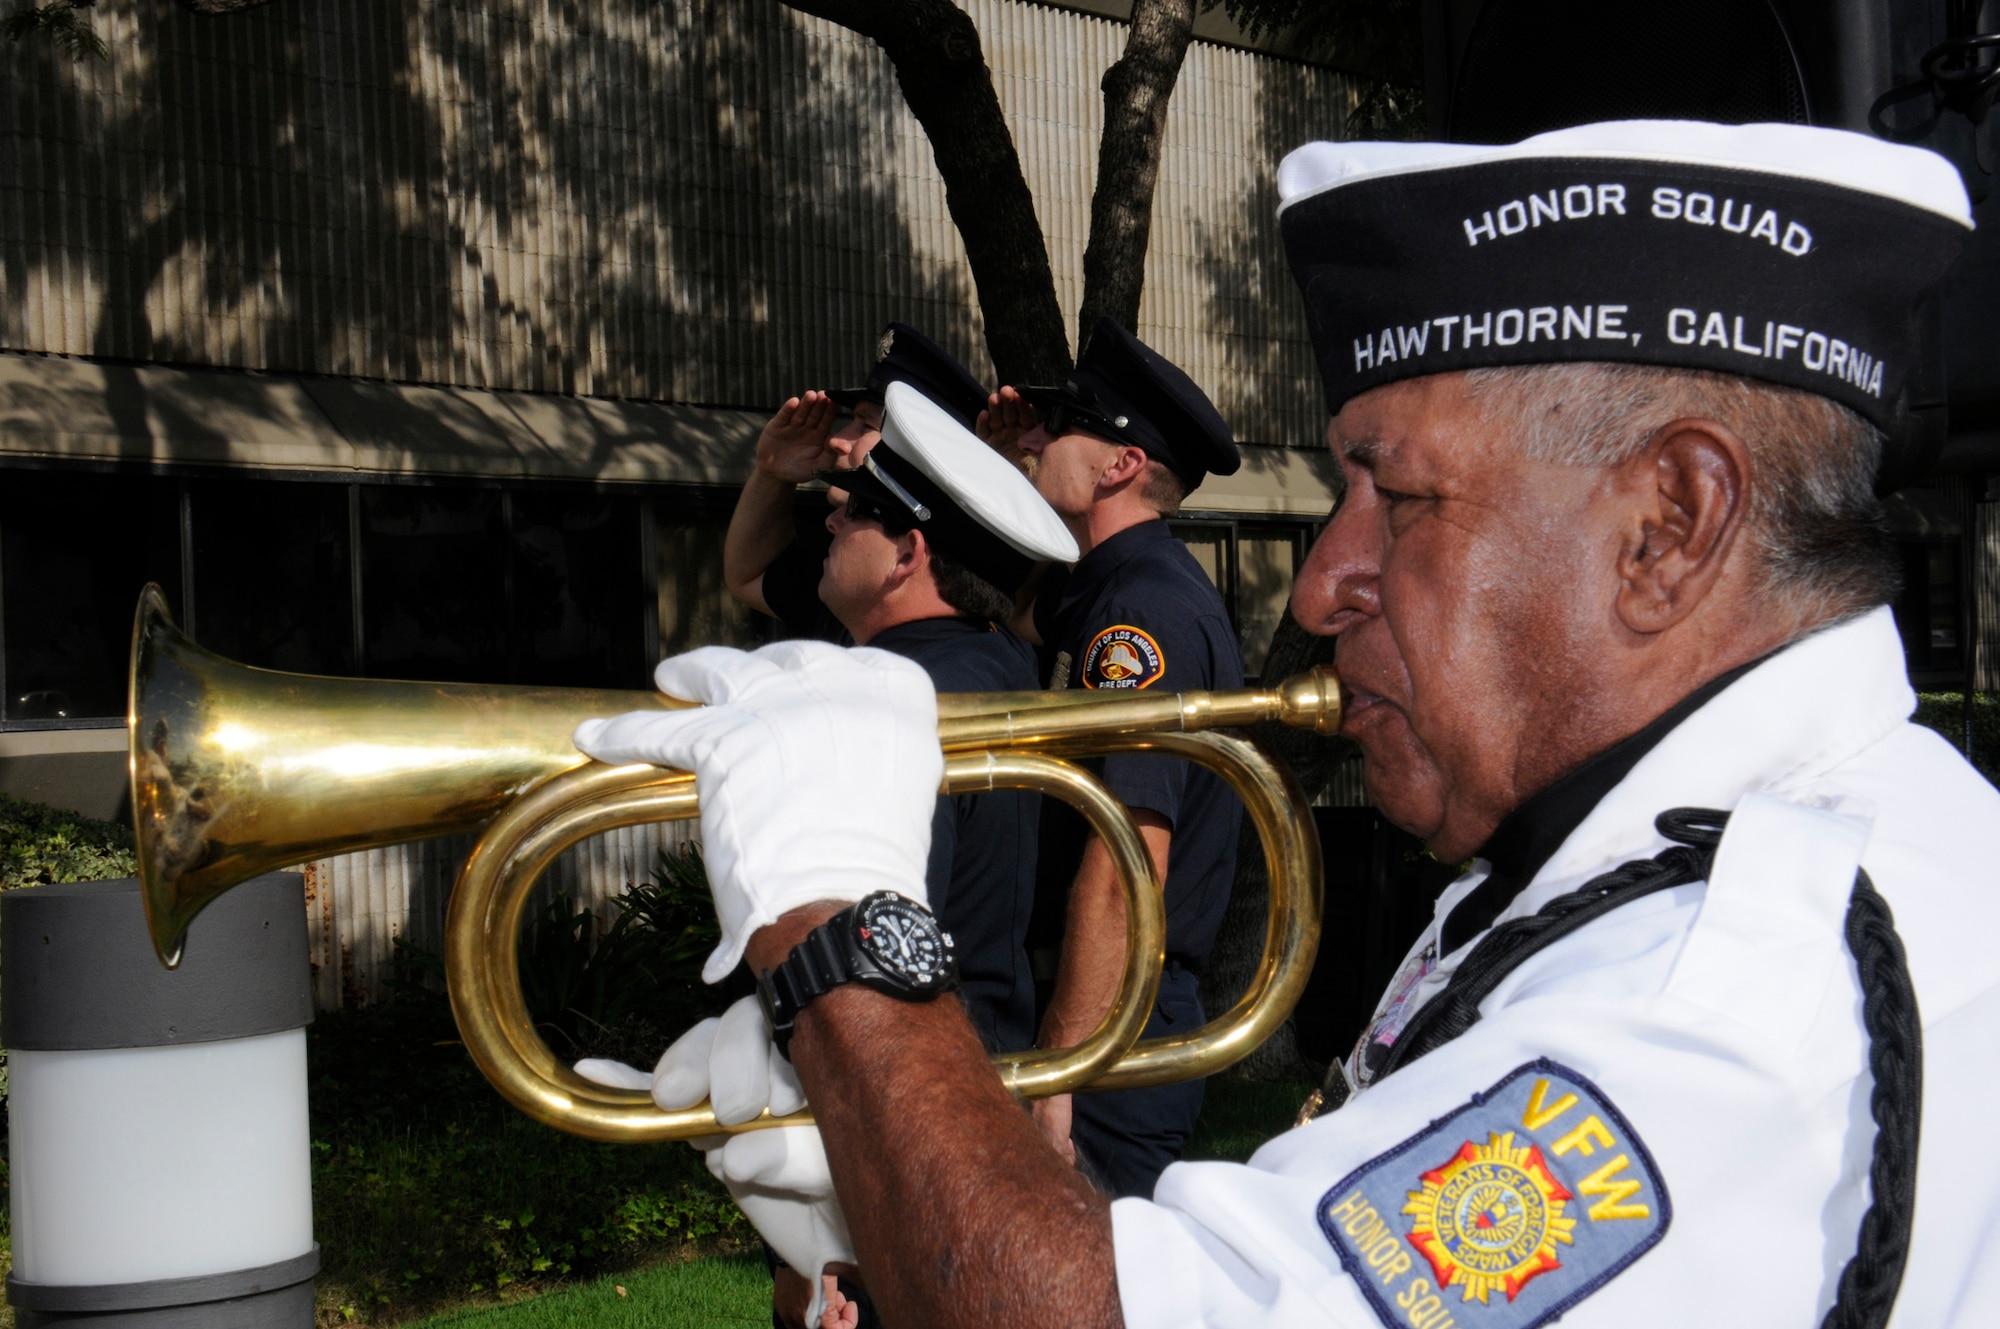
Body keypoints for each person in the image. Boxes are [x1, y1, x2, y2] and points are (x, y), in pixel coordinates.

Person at [577, 120, 1998, 1328]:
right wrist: (874, 1176)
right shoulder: (1728, 848)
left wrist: (836, 931)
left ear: (1670, 526)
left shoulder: (1722, 991)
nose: (1325, 583)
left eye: (1402, 495)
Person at [999, 317, 1247, 1199]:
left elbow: (1125, 865)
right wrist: (1002, 478)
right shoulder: (1111, 584)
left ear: (1120, 464)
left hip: (1115, 1025)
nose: (1032, 435)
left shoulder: (1139, 616)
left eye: (1057, 426)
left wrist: (1063, 1071)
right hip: (1111, 1007)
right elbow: (1023, 609)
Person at [724, 322, 993, 642]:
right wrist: (770, 476)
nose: (837, 440)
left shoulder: (965, 628)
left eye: (865, 425)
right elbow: (748, 577)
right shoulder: (856, 573)